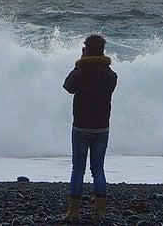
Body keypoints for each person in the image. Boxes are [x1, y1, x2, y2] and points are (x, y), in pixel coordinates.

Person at [61, 35, 117, 221]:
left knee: (78, 169)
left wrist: (80, 63)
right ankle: (99, 213)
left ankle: (73, 211)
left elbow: (68, 86)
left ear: (86, 51)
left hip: (81, 127)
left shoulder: (81, 72)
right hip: (101, 128)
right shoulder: (111, 75)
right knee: (98, 169)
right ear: (102, 50)